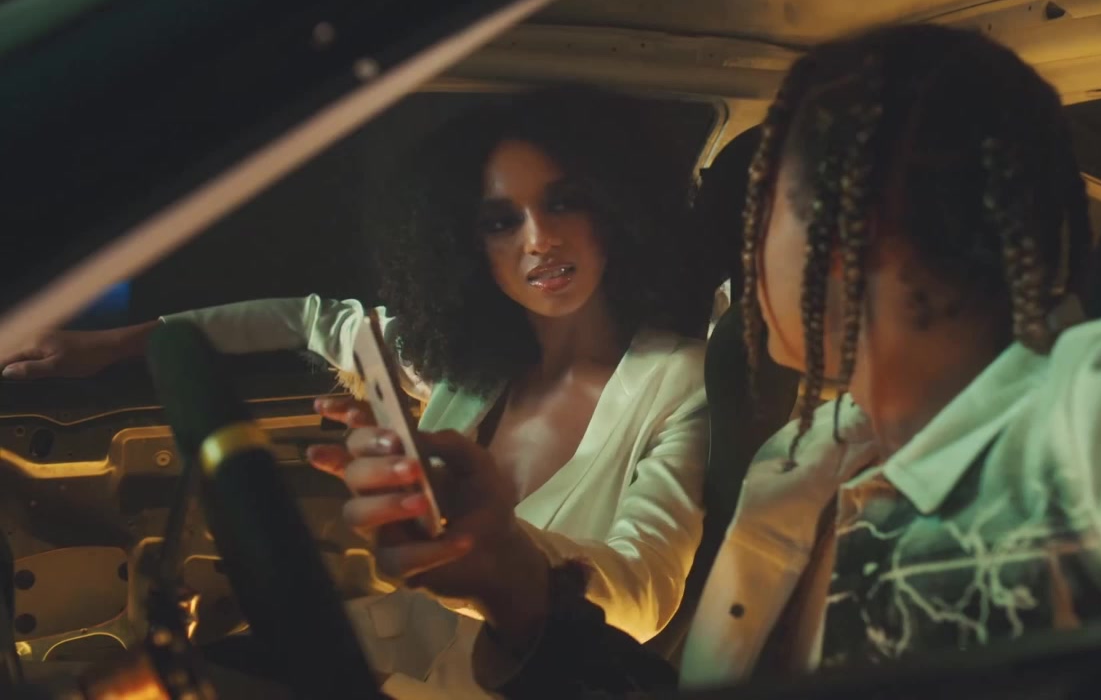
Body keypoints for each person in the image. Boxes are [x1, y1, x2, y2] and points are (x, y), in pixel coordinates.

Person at [322, 23, 1101, 698]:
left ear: (843, 233)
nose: (736, 256)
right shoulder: (799, 468)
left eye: (757, 209)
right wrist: (513, 587)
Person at [2, 86, 711, 699]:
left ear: (618, 207)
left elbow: (645, 595)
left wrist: (505, 558)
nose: (539, 240)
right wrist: (120, 343)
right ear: (464, 243)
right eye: (501, 220)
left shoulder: (679, 381)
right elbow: (315, 320)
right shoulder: (471, 366)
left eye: (564, 202)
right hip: (375, 660)